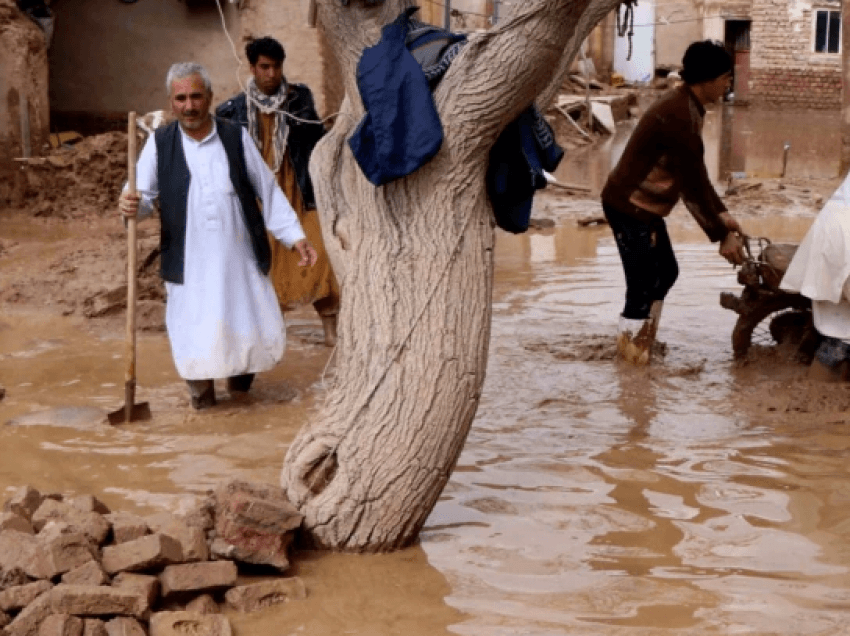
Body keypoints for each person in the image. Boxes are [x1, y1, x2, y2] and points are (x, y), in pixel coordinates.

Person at [118, 62, 318, 410]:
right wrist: (131, 205)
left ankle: (241, 400)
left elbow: (267, 191)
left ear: (209, 97)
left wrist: (294, 236)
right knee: (195, 333)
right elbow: (142, 198)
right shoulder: (159, 145)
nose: (189, 106)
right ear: (171, 102)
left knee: (244, 330)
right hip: (188, 261)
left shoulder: (235, 136)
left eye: (196, 96)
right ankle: (203, 401)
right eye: (181, 98)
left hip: (238, 258)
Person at [600, 39, 746, 365]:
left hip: (644, 208)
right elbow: (692, 187)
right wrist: (721, 235)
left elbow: (697, 175)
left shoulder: (690, 106)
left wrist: (723, 215)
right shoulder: (679, 114)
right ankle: (632, 364)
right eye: (725, 78)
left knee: (665, 272)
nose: (728, 85)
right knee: (641, 287)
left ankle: (643, 342)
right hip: (629, 205)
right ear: (707, 79)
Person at [215, 36, 340, 347]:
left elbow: (315, 141)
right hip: (258, 199)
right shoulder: (232, 109)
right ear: (253, 68)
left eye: (276, 67)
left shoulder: (299, 100)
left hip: (299, 191)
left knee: (319, 256)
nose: (271, 74)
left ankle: (330, 332)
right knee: (266, 264)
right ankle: (273, 335)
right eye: (264, 67)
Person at [781, 174, 850, 381]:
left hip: (833, 238)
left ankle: (815, 395)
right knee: (840, 338)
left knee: (838, 331)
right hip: (843, 244)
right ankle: (816, 397)